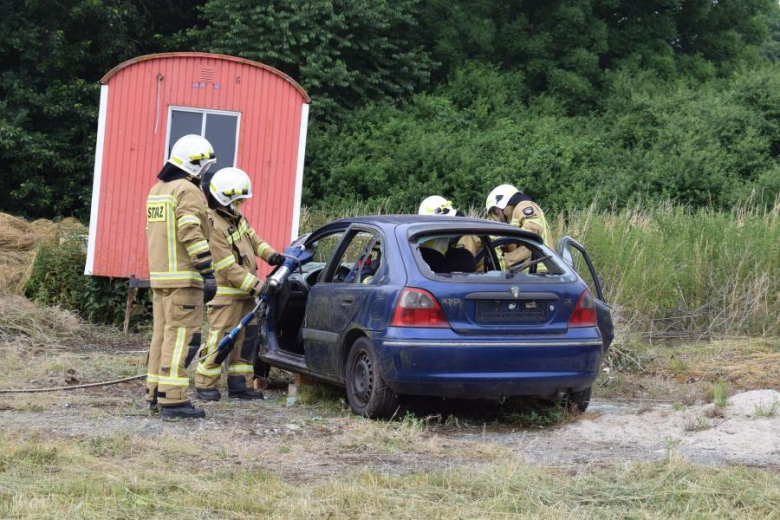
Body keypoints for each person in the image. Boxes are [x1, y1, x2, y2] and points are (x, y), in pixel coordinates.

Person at [194, 167, 284, 401]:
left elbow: (254, 240)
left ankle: (240, 385)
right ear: (223, 198)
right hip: (227, 297)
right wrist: (259, 286)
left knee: (247, 341)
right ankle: (205, 384)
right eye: (237, 200)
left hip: (245, 295)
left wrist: (272, 255)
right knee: (222, 340)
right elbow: (227, 268)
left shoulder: (236, 216)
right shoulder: (214, 225)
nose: (240, 204)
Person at [146, 134, 217, 419]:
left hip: (161, 277)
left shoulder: (157, 190)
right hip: (184, 279)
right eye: (205, 166)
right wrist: (207, 271)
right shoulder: (187, 191)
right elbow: (190, 231)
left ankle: (155, 393)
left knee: (161, 337)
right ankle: (173, 400)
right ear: (194, 165)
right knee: (181, 339)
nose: (206, 172)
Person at [485, 184, 553, 267]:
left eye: (496, 212)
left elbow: (533, 227)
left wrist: (507, 242)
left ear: (502, 203)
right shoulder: (514, 216)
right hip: (530, 274)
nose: (498, 218)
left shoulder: (523, 205)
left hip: (539, 273)